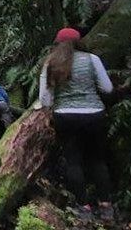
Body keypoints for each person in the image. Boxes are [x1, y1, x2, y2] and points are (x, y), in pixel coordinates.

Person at [39, 27, 114, 217]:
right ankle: (106, 206)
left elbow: (45, 99)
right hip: (94, 114)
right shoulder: (92, 60)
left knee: (73, 162)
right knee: (97, 160)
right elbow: (107, 88)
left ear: (57, 43)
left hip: (65, 116)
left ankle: (84, 207)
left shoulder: (51, 62)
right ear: (79, 42)